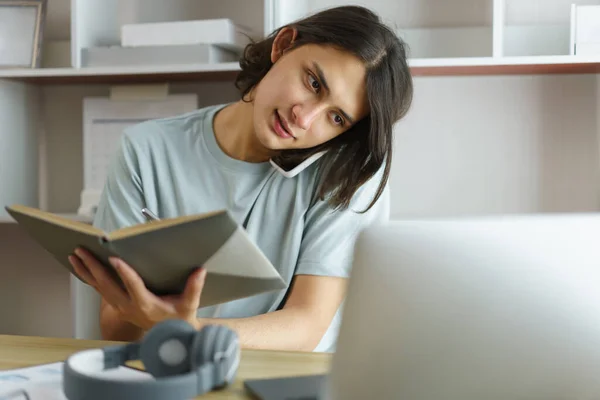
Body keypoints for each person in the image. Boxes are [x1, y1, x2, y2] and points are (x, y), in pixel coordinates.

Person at [68, 5, 413, 352]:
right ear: (284, 45)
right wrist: (151, 309)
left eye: (336, 118)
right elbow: (115, 329)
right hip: (172, 371)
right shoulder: (145, 150)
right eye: (313, 83)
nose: (305, 118)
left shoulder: (349, 174)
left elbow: (306, 326)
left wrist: (188, 329)